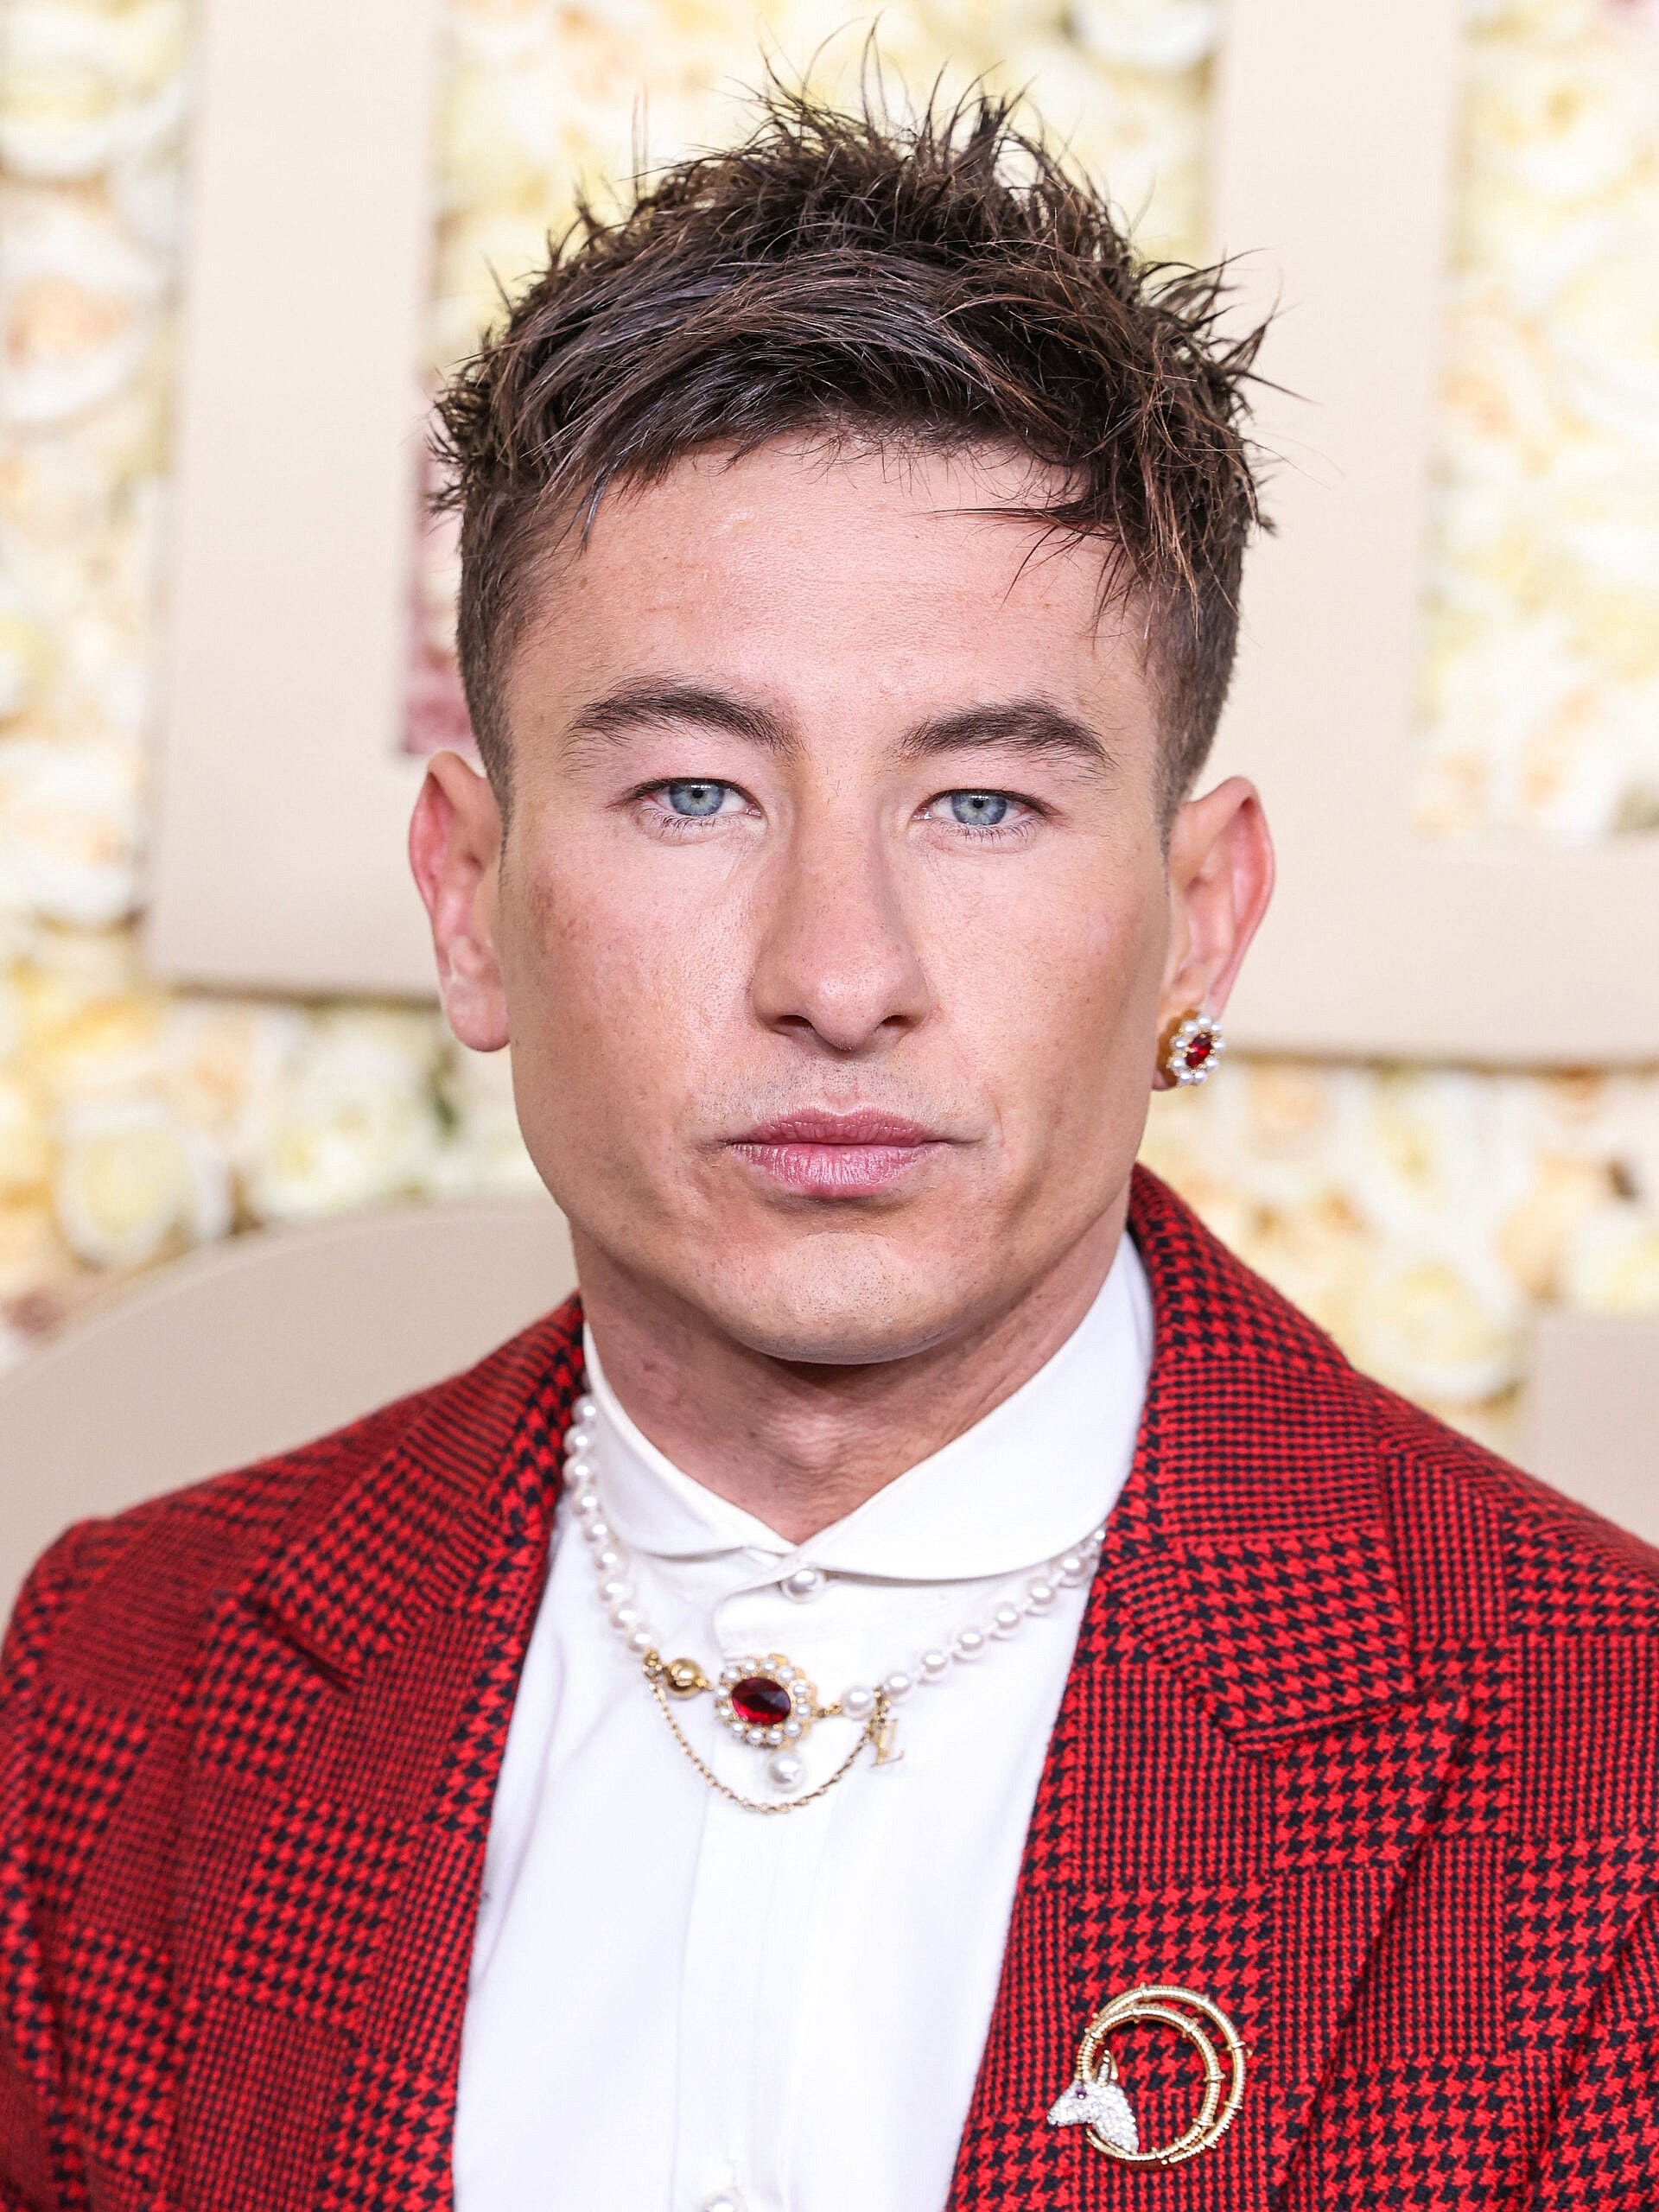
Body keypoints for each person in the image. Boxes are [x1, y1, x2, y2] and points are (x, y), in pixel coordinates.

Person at [3, 86, 1656, 2212]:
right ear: (467, 894)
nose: (841, 972)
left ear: (1202, 913)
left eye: (983, 802)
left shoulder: (1602, 1773)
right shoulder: (124, 1677)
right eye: (694, 791)